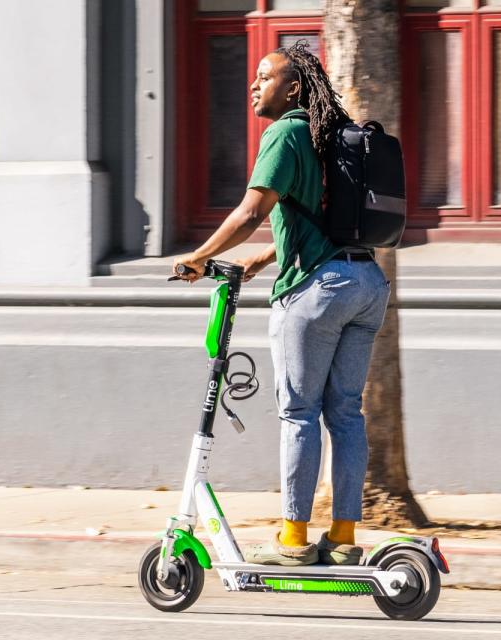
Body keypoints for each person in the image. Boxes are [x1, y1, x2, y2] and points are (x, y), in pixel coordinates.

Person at [172, 42, 390, 566]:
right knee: (345, 412)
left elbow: (251, 211)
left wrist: (200, 256)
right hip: (366, 284)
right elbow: (318, 215)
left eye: (264, 77)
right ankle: (341, 536)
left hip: (315, 295)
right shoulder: (328, 136)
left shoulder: (285, 133)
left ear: (292, 88)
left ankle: (293, 539)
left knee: (298, 413)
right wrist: (265, 259)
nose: (253, 85)